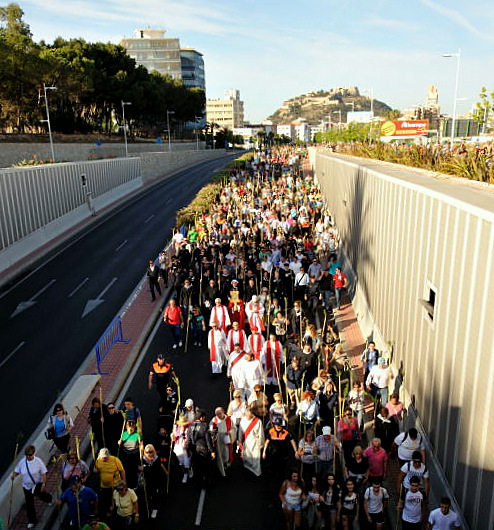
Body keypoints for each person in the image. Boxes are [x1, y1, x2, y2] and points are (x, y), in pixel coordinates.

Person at [12, 445, 53, 529]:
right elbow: (17, 471)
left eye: (30, 455)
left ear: (33, 454)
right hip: (27, 487)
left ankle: (49, 499)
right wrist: (14, 475)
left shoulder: (38, 461)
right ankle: (32, 520)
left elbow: (44, 473)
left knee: (42, 496)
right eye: (26, 454)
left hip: (37, 484)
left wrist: (44, 484)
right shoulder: (22, 462)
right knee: (29, 504)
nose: (28, 456)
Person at [263, 417, 298, 482]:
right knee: (272, 470)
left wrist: (296, 451)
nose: (278, 426)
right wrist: (264, 452)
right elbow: (267, 442)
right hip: (273, 456)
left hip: (283, 456)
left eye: (279, 425)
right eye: (277, 425)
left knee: (282, 471)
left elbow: (292, 442)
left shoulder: (286, 433)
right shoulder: (271, 432)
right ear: (274, 425)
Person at [94, 448, 125, 520]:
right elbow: (96, 470)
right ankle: (109, 512)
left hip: (115, 484)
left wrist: (124, 481)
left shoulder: (115, 460)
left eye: (106, 457)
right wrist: (95, 470)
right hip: (104, 485)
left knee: (117, 498)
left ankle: (119, 512)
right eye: (103, 457)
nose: (105, 458)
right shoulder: (98, 461)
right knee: (106, 499)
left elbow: (122, 470)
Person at [186, 410, 215, 486]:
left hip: (193, 451)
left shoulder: (190, 427)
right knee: (206, 468)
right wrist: (212, 451)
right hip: (203, 450)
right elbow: (208, 440)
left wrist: (188, 451)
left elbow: (188, 441)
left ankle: (198, 484)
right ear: (201, 417)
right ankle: (206, 484)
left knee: (196, 468)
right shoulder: (204, 426)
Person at [141, 444, 167, 519]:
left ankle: (155, 509)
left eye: (150, 452)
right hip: (147, 480)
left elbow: (154, 470)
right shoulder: (143, 459)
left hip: (155, 480)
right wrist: (140, 468)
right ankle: (149, 507)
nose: (149, 453)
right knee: (148, 494)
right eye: (147, 452)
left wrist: (145, 468)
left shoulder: (157, 459)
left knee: (154, 494)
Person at [238, 407, 264, 476]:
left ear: (252, 414)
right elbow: (240, 431)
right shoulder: (243, 420)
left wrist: (261, 444)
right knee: (247, 458)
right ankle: (248, 472)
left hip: (255, 443)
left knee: (255, 459)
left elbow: (261, 433)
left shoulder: (258, 421)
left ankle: (256, 474)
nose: (247, 417)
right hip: (246, 442)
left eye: (248, 416)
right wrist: (239, 441)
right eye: (246, 415)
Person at [118, 420, 142, 489]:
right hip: (126, 456)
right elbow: (121, 442)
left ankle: (135, 485)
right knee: (127, 470)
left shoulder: (137, 434)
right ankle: (127, 485)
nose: (131, 429)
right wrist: (119, 442)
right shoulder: (124, 434)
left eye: (132, 428)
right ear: (126, 427)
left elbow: (141, 444)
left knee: (134, 470)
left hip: (134, 456)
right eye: (129, 428)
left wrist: (141, 451)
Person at [173, 416, 192, 483]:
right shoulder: (176, 429)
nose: (182, 426)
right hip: (179, 448)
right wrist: (173, 437)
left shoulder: (189, 429)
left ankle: (189, 470)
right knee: (182, 464)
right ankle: (185, 474)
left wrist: (188, 441)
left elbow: (191, 438)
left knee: (187, 462)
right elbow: (174, 439)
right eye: (181, 424)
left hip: (186, 449)